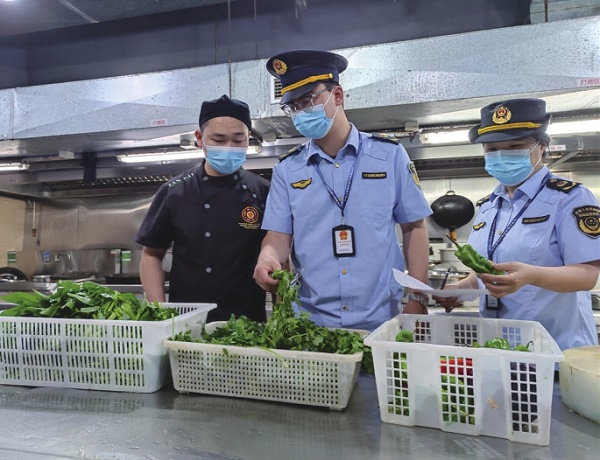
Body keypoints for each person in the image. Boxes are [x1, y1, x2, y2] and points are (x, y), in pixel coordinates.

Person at [253, 50, 433, 331]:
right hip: (310, 324)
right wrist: (268, 257)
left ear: (337, 95)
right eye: (292, 107)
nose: (300, 113)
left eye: (307, 101)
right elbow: (278, 237)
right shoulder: (288, 169)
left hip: (382, 319)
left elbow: (414, 227)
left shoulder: (389, 156)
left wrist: (418, 296)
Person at [435, 98, 600, 350]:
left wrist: (532, 276)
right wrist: (461, 289)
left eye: (515, 146)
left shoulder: (570, 198)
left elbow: (587, 275)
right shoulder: (488, 206)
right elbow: (489, 270)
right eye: (492, 149)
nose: (502, 156)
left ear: (542, 146)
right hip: (499, 348)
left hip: (555, 347)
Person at [136, 95, 270, 322]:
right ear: (199, 138)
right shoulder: (174, 191)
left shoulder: (263, 190)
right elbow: (151, 254)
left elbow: (278, 258)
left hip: (248, 323)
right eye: (218, 139)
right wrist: (159, 312)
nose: (229, 147)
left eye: (238, 140)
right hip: (188, 322)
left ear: (248, 137)